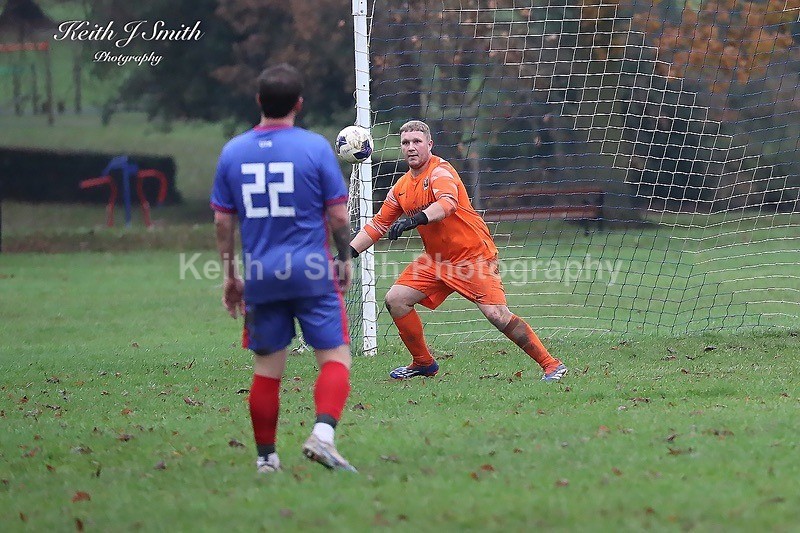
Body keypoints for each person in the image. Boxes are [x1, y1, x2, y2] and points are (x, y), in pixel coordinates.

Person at [211, 64, 356, 474]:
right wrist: (344, 260)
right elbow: (339, 217)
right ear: (299, 104)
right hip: (312, 271)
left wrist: (231, 276)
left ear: (258, 101)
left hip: (261, 276)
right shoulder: (314, 148)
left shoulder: (233, 152)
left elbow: (222, 223)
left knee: (267, 370)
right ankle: (322, 436)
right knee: (335, 357)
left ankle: (266, 460)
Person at [349, 120, 567, 381]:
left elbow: (448, 204)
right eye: (406, 143)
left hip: (473, 256)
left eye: (417, 141)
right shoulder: (401, 188)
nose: (411, 147)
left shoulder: (440, 172)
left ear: (430, 144)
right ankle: (423, 363)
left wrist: (415, 220)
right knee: (396, 299)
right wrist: (348, 252)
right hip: (436, 260)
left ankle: (551, 364)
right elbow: (377, 225)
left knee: (497, 314)